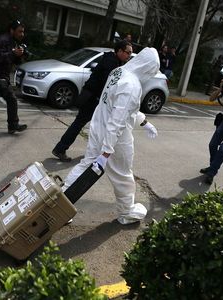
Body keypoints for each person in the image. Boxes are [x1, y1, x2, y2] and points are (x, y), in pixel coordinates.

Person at [63, 47, 160, 225]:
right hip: (116, 140)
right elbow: (118, 120)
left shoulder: (119, 71)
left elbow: (121, 108)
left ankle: (61, 204)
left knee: (86, 165)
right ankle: (126, 212)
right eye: (151, 71)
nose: (150, 75)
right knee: (123, 176)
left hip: (99, 126)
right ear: (146, 67)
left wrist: (144, 122)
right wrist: (107, 151)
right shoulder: (132, 85)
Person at [52, 40, 133, 161]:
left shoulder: (115, 61)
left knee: (97, 126)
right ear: (120, 51)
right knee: (80, 124)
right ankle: (60, 149)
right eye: (128, 53)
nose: (129, 56)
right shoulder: (110, 62)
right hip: (92, 99)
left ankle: (91, 151)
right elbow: (108, 85)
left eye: (131, 53)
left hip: (94, 98)